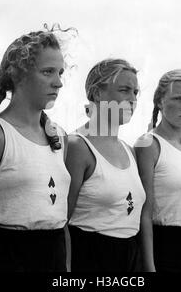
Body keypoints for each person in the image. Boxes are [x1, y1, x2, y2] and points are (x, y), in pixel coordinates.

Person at [0, 28, 70, 272]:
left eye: (60, 72)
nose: (58, 82)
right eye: (47, 72)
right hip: (8, 256)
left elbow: (59, 212)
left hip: (54, 253)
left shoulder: (60, 136)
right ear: (17, 74)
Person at [66, 59, 145, 272]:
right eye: (124, 90)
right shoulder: (78, 146)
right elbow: (60, 221)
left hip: (129, 259)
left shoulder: (129, 150)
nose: (132, 99)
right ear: (97, 93)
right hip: (90, 258)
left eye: (135, 92)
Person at [135, 69, 181, 272]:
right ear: (160, 101)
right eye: (178, 98)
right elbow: (145, 213)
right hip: (167, 246)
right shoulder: (148, 144)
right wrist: (149, 268)